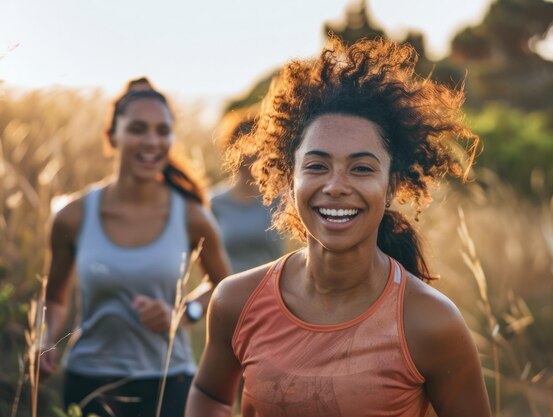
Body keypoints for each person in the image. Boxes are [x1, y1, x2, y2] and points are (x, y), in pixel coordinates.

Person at [186, 37, 491, 417]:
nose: (336, 186)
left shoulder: (430, 323)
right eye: (316, 165)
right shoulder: (236, 301)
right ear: (289, 175)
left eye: (362, 168)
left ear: (392, 182)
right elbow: (210, 394)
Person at [41, 78, 231, 417]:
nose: (152, 142)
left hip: (169, 382)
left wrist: (183, 314)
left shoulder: (191, 216)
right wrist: (45, 339)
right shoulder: (72, 216)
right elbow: (55, 298)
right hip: (89, 381)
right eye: (138, 129)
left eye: (162, 131)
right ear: (112, 136)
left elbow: (223, 286)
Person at [210, 105, 284, 274]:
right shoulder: (214, 203)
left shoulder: (280, 200)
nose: (256, 153)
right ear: (232, 149)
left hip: (270, 293)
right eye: (249, 147)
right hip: (230, 294)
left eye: (262, 146)